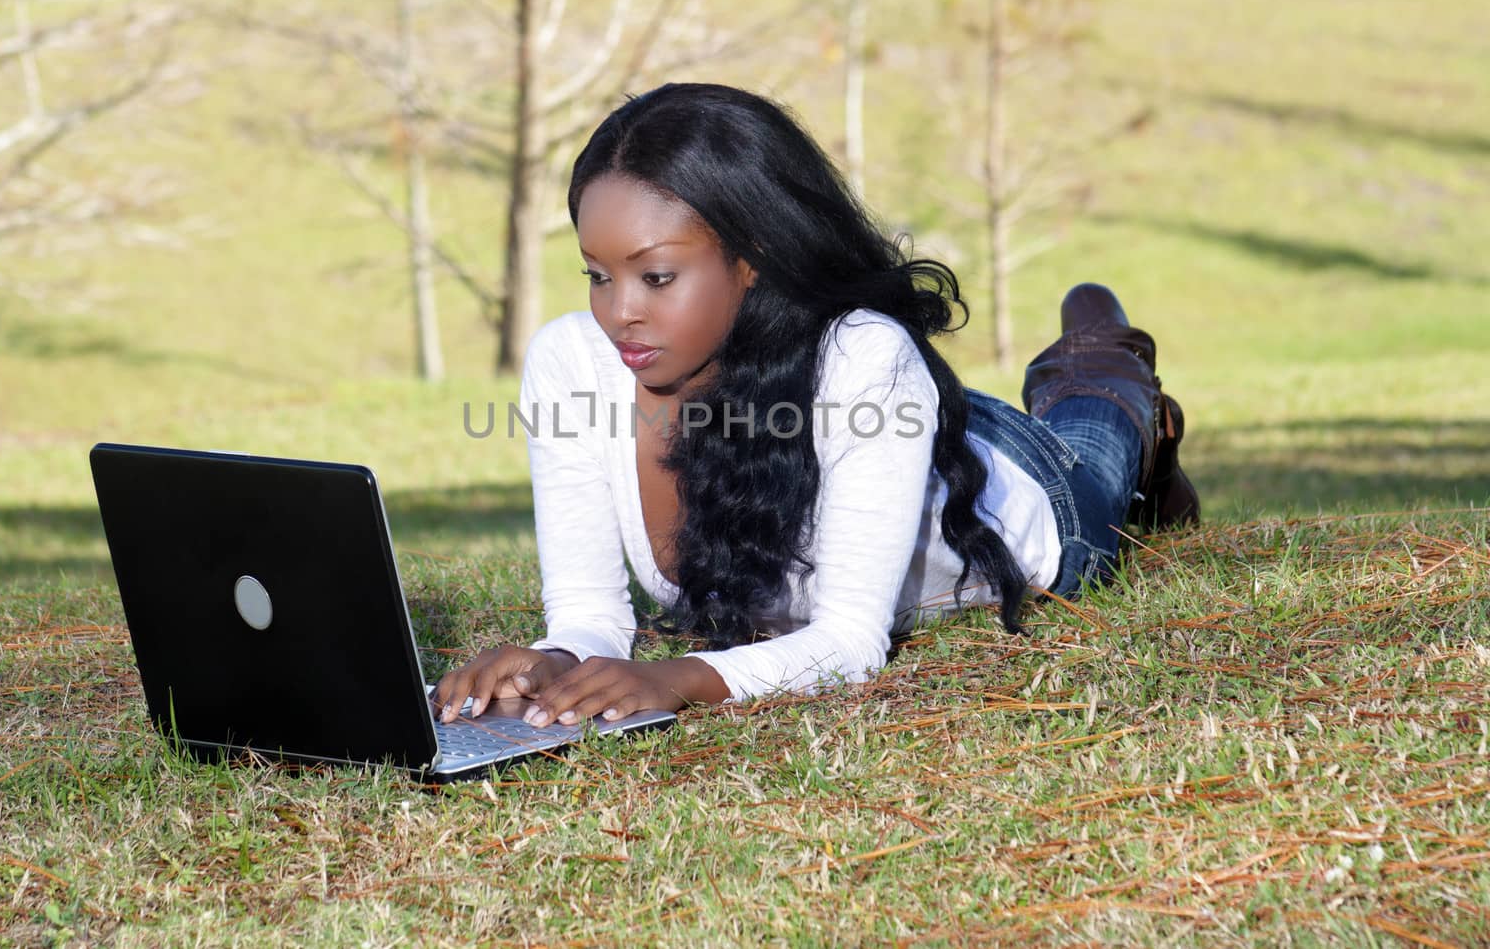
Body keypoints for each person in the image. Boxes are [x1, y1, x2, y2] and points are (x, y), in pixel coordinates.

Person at [436, 83, 1198, 729]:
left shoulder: (864, 356)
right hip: (897, 428)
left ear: (752, 262)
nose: (619, 311)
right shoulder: (571, 362)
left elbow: (849, 642)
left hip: (1025, 490)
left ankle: (1105, 358)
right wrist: (556, 660)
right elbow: (591, 609)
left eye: (657, 277)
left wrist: (681, 679)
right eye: (597, 274)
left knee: (1096, 422)